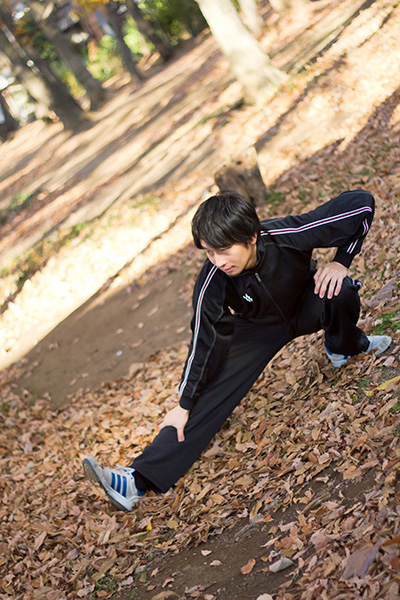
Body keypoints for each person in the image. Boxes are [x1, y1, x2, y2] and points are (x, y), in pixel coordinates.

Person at [83, 189, 392, 511]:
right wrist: (185, 402)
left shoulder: (288, 234)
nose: (218, 261)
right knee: (202, 396)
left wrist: (342, 261)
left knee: (339, 289)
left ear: (252, 236)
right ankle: (135, 479)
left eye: (224, 250)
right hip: (258, 329)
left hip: (306, 303)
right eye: (208, 253)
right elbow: (203, 340)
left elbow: (361, 204)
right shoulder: (213, 279)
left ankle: (343, 346)